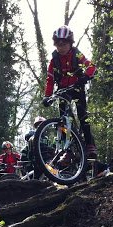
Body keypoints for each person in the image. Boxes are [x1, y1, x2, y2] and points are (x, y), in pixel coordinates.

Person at [43, 25, 97, 158]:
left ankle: (89, 144)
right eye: (58, 44)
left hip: (77, 87)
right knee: (63, 118)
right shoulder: (53, 60)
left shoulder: (76, 54)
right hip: (63, 91)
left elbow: (91, 66)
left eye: (64, 44)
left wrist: (86, 76)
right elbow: (50, 79)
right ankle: (63, 147)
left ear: (70, 43)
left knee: (83, 115)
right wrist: (47, 96)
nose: (61, 47)